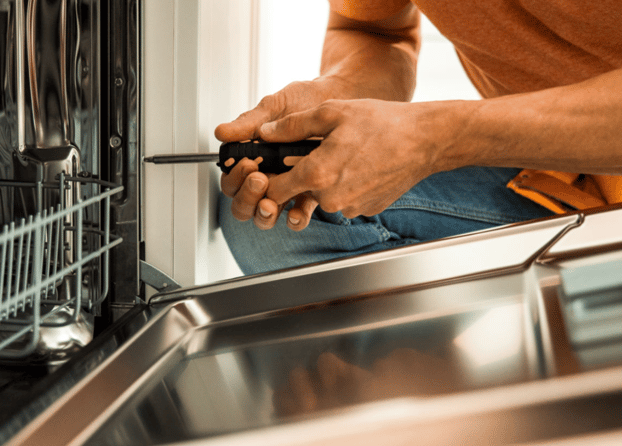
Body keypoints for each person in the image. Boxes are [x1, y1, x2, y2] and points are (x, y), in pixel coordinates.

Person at [216, 0, 622, 275]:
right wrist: (337, 92)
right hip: (568, 174)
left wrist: (436, 138)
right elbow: (371, 29)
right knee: (274, 219)